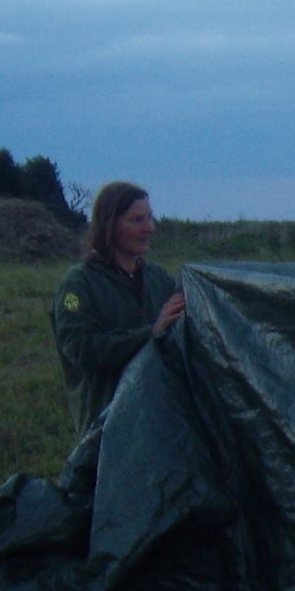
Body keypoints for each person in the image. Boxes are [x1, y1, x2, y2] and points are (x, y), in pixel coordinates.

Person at [52, 181, 185, 436]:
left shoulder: (158, 279)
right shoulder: (79, 284)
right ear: (109, 225)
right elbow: (82, 350)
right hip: (107, 428)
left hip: (158, 421)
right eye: (136, 220)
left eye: (150, 218)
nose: (149, 228)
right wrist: (151, 334)